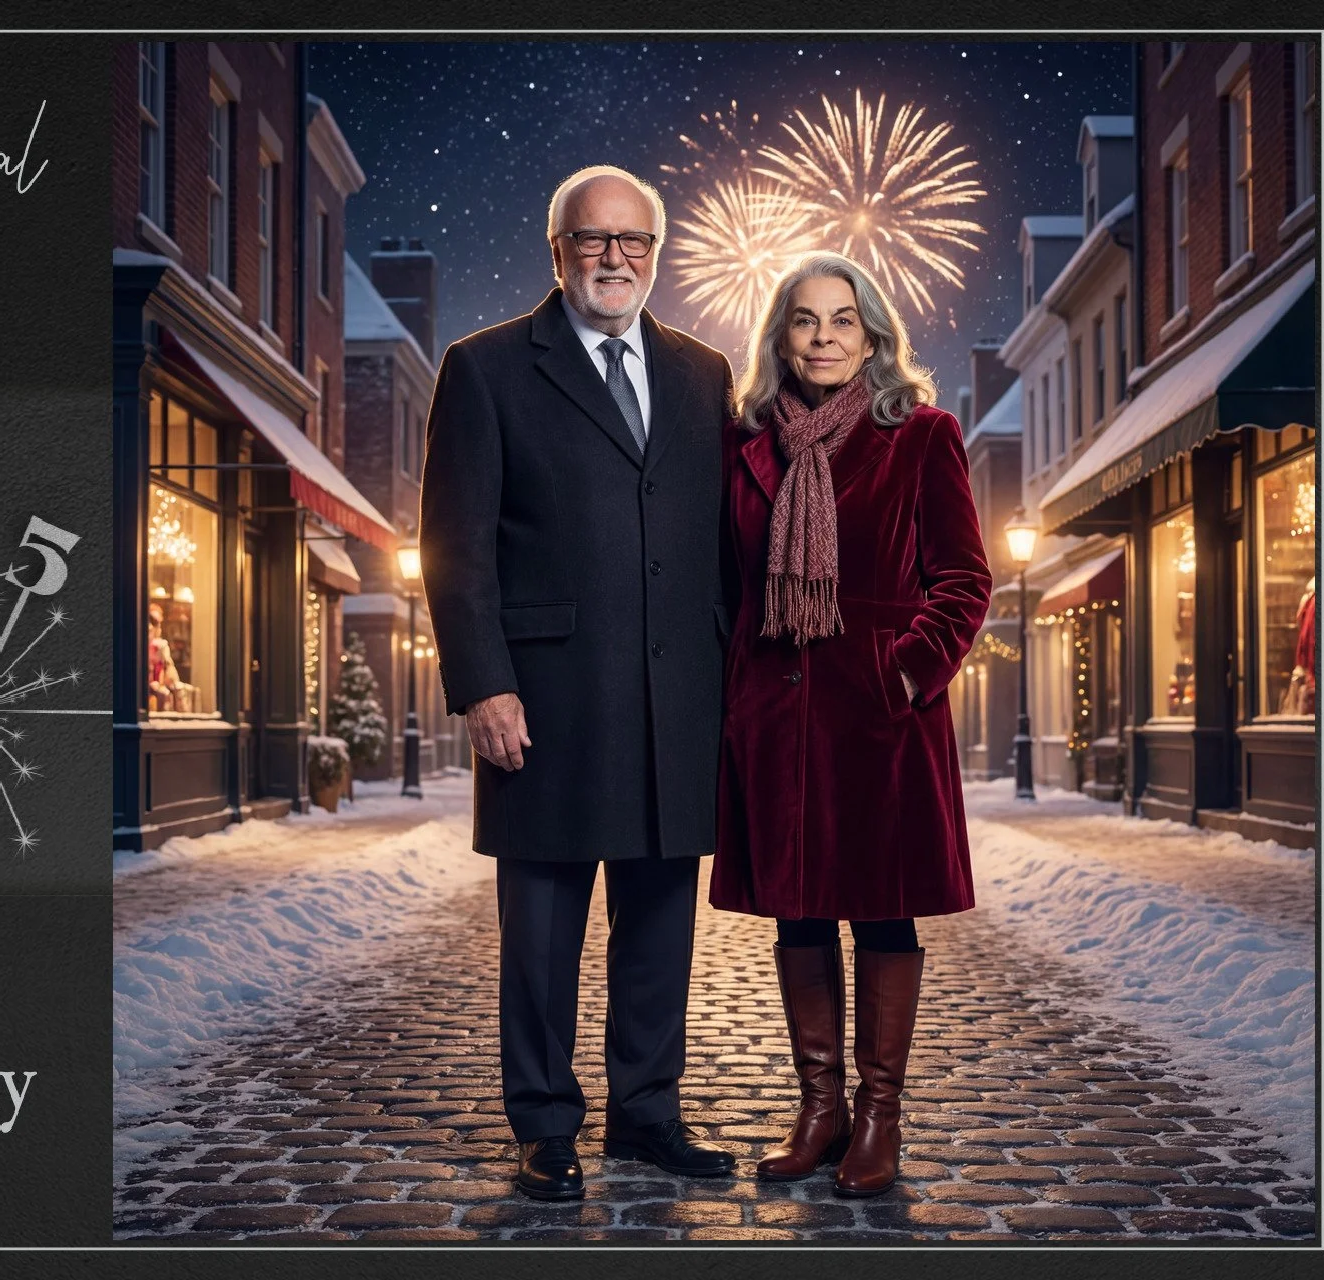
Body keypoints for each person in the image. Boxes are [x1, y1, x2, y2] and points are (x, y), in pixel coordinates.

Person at [420, 165, 736, 1201]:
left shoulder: (703, 373)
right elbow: (455, 547)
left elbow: (719, 545)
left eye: (633, 241)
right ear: (556, 250)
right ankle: (545, 1121)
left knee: (659, 922)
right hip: (543, 699)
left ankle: (647, 1113)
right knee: (543, 931)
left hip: (673, 696)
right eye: (593, 240)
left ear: (656, 253)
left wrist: (729, 676)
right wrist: (482, 684)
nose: (615, 258)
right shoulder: (488, 367)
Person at [711, 252, 991, 1198]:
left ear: (872, 332)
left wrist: (903, 673)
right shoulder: (747, 443)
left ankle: (879, 1116)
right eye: (804, 319)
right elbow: (726, 585)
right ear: (779, 336)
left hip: (880, 718)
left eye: (843, 319)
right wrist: (735, 692)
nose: (824, 337)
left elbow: (964, 581)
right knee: (796, 912)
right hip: (777, 713)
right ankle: (819, 1108)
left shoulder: (921, 435)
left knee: (881, 909)